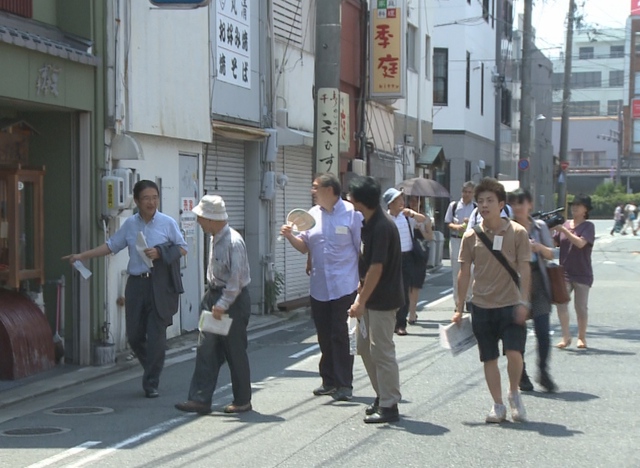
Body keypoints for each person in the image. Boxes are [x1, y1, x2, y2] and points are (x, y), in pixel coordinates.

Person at [64, 180, 187, 398]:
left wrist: (160, 252)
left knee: (156, 335)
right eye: (147, 198)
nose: (152, 202)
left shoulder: (167, 223)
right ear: (137, 201)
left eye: (155, 197)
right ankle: (153, 366)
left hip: (159, 284)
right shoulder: (130, 224)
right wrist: (82, 256)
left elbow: (182, 248)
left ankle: (151, 382)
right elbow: (111, 246)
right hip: (137, 284)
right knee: (134, 335)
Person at [452, 177, 531, 423]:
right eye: (480, 201)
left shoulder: (518, 232)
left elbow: (526, 270)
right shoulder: (470, 236)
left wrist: (524, 302)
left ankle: (514, 393)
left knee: (515, 353)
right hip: (482, 305)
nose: (484, 205)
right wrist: (458, 307)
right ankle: (497, 405)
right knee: (489, 357)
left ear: (501, 204)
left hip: (511, 303)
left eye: (489, 200)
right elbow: (464, 273)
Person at [280, 173, 362, 402]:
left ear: (330, 190)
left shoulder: (351, 213)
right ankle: (328, 381)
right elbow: (305, 247)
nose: (312, 191)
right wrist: (289, 236)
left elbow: (360, 248)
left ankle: (344, 383)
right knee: (324, 335)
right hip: (319, 286)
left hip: (345, 285)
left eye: (315, 187)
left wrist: (362, 285)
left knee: (342, 335)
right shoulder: (312, 215)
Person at [175, 195, 252, 415]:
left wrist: (223, 303)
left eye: (201, 217)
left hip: (232, 300)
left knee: (234, 350)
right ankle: (200, 399)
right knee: (205, 348)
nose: (198, 220)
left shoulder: (233, 241)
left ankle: (243, 400)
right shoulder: (214, 236)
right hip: (215, 297)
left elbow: (236, 279)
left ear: (210, 218)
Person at [347, 176, 403, 424]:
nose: (349, 199)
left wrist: (360, 301)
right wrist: (361, 292)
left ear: (360, 200)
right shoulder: (368, 222)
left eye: (351, 196)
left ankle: (390, 403)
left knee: (381, 350)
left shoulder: (382, 226)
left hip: (383, 299)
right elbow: (367, 264)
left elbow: (377, 268)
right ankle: (382, 395)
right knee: (363, 347)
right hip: (370, 296)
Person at [509, 189, 557, 393]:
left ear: (530, 204)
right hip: (515, 283)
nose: (518, 207)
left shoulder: (540, 227)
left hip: (538, 280)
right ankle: (522, 374)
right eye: (515, 203)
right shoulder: (507, 228)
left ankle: (543, 371)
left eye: (522, 203)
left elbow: (553, 253)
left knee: (543, 332)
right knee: (516, 333)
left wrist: (537, 247)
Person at [382, 187, 427, 335]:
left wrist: (412, 213)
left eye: (402, 199)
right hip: (390, 258)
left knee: (404, 290)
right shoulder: (385, 218)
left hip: (407, 257)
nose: (401, 202)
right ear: (390, 203)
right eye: (398, 200)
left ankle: (401, 323)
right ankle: (390, 322)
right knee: (389, 291)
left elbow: (423, 220)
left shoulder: (407, 216)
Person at [553, 195, 595, 350]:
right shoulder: (564, 224)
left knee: (581, 307)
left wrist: (564, 230)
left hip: (582, 273)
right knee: (561, 303)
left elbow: (580, 243)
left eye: (579, 205)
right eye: (573, 205)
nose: (574, 207)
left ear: (586, 210)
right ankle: (566, 337)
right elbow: (553, 243)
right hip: (564, 272)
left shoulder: (588, 226)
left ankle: (581, 337)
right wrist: (548, 229)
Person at [444, 182, 476, 309]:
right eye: (465, 192)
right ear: (462, 192)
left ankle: (469, 298)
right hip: (456, 239)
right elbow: (448, 222)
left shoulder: (475, 207)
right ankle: (458, 302)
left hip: (471, 241)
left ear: (473, 193)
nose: (467, 194)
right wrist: (457, 226)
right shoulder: (454, 206)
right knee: (457, 271)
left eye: (470, 192)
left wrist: (470, 224)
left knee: (472, 271)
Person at [407, 195, 434, 324]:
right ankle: (406, 311)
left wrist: (421, 230)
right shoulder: (405, 216)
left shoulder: (425, 219)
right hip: (407, 252)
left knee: (415, 285)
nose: (413, 203)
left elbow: (430, 236)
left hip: (419, 253)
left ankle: (412, 313)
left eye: (416, 200)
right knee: (406, 284)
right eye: (411, 200)